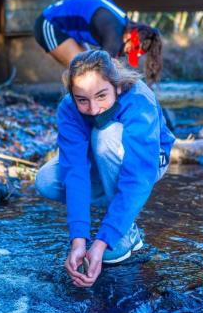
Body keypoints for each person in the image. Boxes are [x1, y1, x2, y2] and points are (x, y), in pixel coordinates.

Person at [35, 50, 175, 288]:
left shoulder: (139, 99)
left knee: (105, 136)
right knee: (46, 179)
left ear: (117, 87)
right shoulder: (68, 108)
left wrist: (102, 242)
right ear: (72, 95)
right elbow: (75, 172)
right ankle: (118, 213)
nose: (93, 108)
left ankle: (125, 232)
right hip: (101, 156)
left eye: (101, 96)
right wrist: (78, 240)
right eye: (82, 100)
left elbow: (137, 176)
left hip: (147, 162)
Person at [34, 0, 163, 85]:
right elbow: (104, 73)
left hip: (70, 31)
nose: (128, 54)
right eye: (132, 50)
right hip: (50, 24)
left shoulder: (124, 25)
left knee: (90, 73)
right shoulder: (113, 34)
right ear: (131, 36)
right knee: (87, 75)